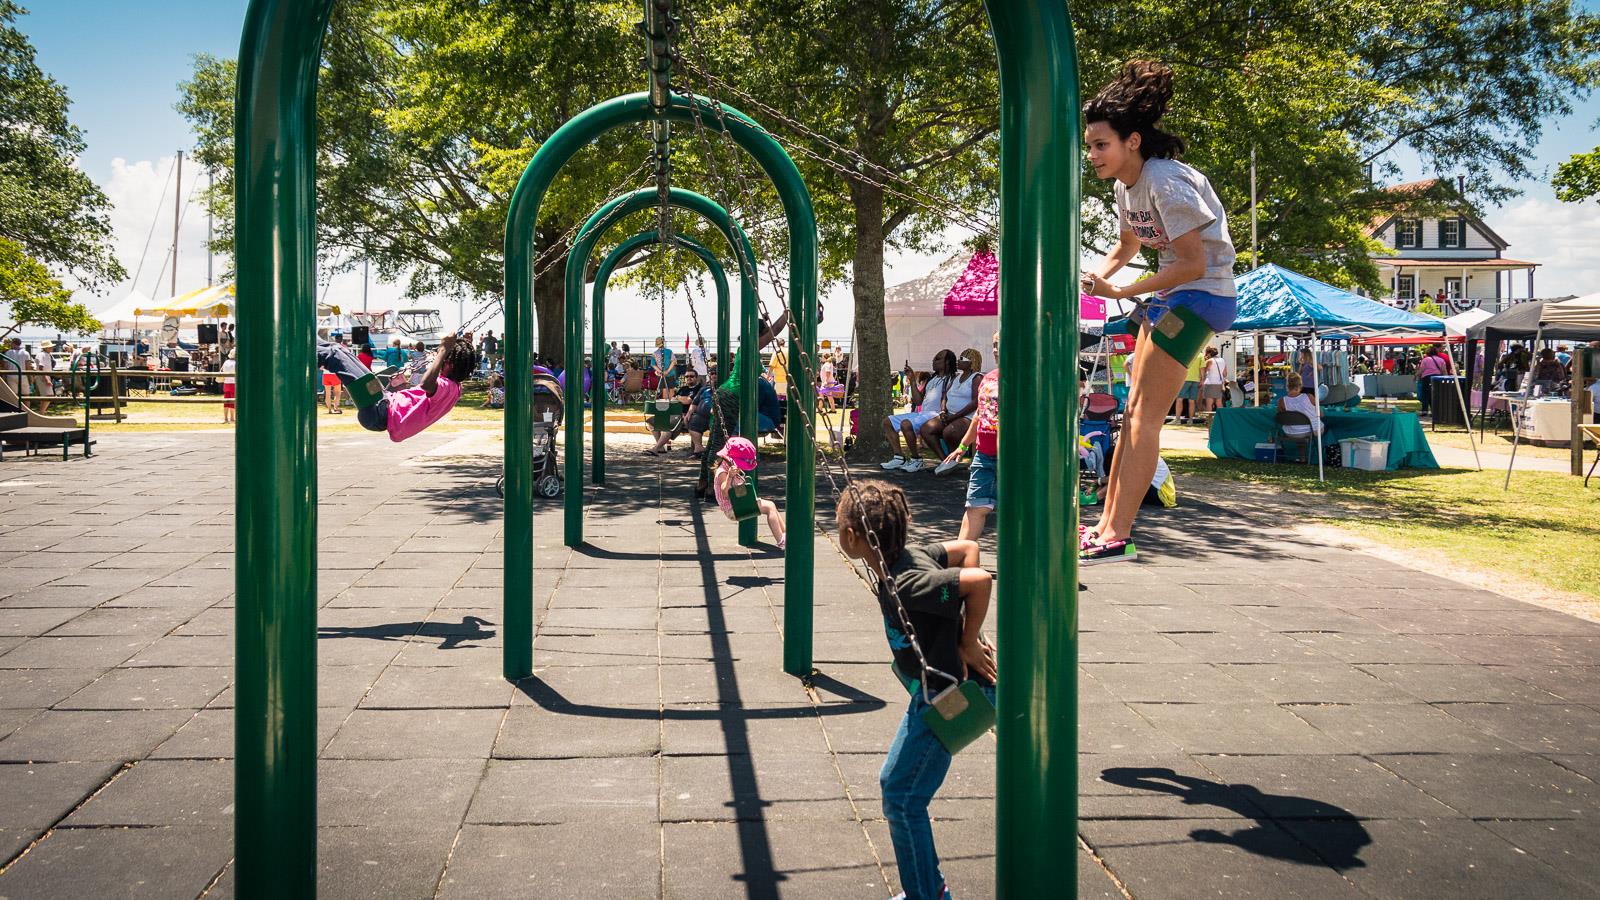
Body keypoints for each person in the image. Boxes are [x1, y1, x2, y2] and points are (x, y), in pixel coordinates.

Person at [1079, 60, 1237, 565]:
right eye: (1089, 146)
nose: (1092, 155)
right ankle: (1104, 523)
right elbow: (1127, 244)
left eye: (1101, 145)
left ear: (1133, 142)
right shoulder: (1126, 188)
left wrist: (1120, 291)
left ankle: (1119, 535)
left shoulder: (1166, 182)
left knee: (1145, 418)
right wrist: (1096, 277)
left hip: (1201, 296)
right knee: (1130, 415)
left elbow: (1192, 264)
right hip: (1173, 297)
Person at [834, 479, 995, 900]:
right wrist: (961, 627)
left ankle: (927, 895)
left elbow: (978, 579)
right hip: (933, 689)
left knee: (903, 796)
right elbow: (965, 551)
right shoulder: (910, 554)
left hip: (953, 693)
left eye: (837, 526)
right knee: (897, 786)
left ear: (853, 536)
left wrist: (968, 639)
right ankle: (924, 889)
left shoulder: (904, 583)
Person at [316, 333, 476, 441]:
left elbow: (427, 383)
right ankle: (310, 338)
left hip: (379, 411)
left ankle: (299, 354)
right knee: (339, 351)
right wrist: (467, 341)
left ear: (449, 363)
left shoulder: (446, 386)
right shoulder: (455, 388)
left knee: (335, 356)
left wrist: (443, 350)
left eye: (444, 360)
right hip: (381, 401)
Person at [699, 312, 789, 500]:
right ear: (758, 333)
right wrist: (786, 314)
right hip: (733, 395)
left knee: (714, 440)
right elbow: (775, 331)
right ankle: (710, 488)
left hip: (725, 392)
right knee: (719, 442)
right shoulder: (751, 346)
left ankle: (703, 483)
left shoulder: (745, 349)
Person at [942, 333, 1000, 541]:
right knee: (975, 506)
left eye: (1000, 344)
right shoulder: (989, 378)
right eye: (993, 344)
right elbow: (979, 414)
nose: (995, 349)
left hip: (1014, 458)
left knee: (1017, 512)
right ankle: (963, 557)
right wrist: (963, 446)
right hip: (984, 455)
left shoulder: (1026, 377)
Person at [881, 350, 957, 472]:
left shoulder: (953, 379)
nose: (934, 361)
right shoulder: (932, 378)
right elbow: (918, 401)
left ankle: (916, 460)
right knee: (887, 421)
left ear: (947, 362)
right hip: (923, 413)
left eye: (938, 359)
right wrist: (911, 380)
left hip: (936, 415)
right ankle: (899, 458)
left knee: (906, 424)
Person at [712, 436, 784, 548]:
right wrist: (729, 477)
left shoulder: (731, 466)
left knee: (771, 505)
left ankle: (785, 534)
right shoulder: (722, 472)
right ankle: (781, 540)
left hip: (740, 504)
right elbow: (724, 492)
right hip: (733, 509)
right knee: (769, 507)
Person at [1276, 372, 1323, 448]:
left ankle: (1302, 457)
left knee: (1298, 428)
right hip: (1311, 430)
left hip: (1292, 432)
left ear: (1287, 385)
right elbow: (1321, 415)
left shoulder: (1281, 401)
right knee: (1325, 428)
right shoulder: (1309, 397)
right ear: (1300, 385)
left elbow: (1280, 417)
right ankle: (1320, 453)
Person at [1415, 345, 1453, 414]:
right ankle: (1435, 411)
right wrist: (1446, 379)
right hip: (1437, 378)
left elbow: (1422, 369)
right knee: (1435, 394)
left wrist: (1416, 375)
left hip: (1426, 378)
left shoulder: (1425, 359)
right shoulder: (1441, 360)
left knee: (1425, 394)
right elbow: (1444, 371)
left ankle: (1424, 410)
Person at [1175, 346, 1201, 423]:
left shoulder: (1184, 353)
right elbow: (1202, 369)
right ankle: (1190, 420)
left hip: (1185, 379)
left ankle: (1177, 419)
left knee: (1179, 399)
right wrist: (1202, 380)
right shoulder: (1200, 355)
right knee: (1192, 400)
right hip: (1196, 380)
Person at [1199, 345, 1226, 413]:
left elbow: (1205, 372)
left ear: (1208, 353)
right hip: (1219, 383)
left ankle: (1209, 420)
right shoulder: (1222, 360)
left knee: (1209, 403)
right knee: (1219, 402)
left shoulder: (1209, 361)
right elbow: (1225, 373)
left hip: (1210, 383)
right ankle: (1221, 418)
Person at [221, 349, 237, 424]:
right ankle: (232, 418)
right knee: (233, 401)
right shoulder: (236, 363)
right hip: (233, 383)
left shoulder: (226, 362)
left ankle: (225, 418)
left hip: (226, 383)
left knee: (226, 401)